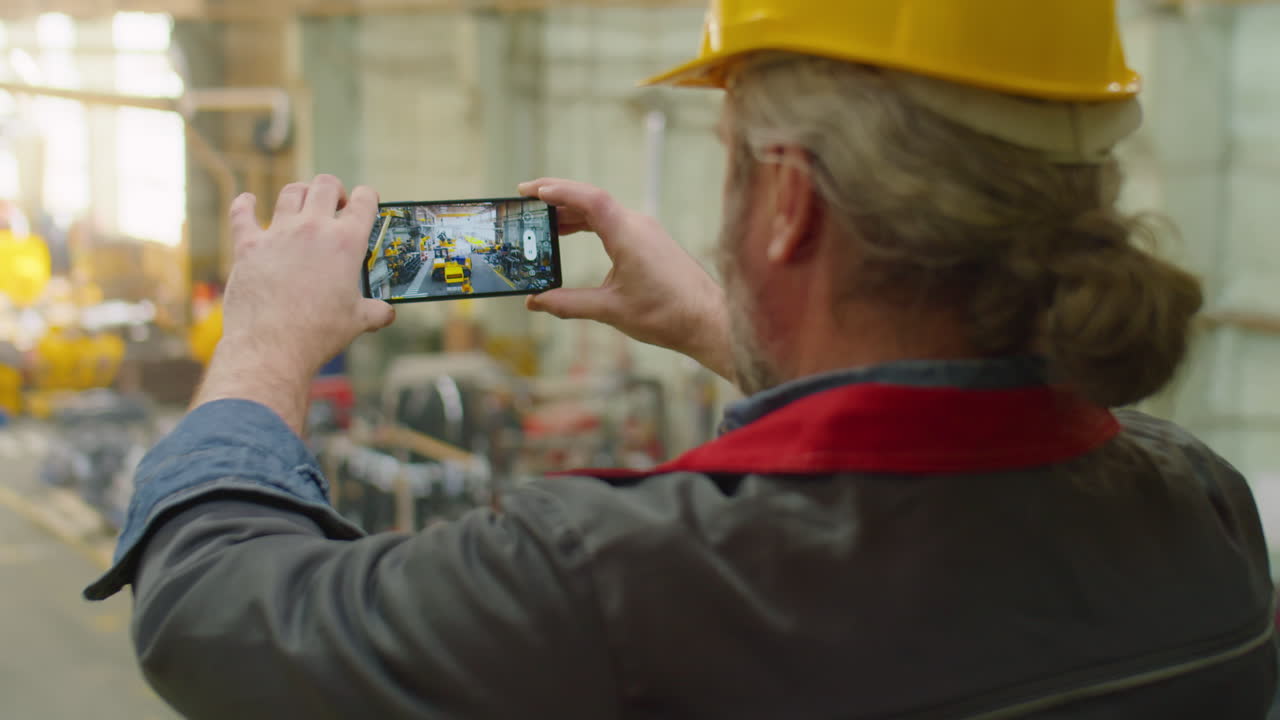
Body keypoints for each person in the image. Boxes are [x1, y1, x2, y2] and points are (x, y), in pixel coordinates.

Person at [85, 1, 1276, 718]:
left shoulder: (616, 582)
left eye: (730, 164)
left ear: (787, 204)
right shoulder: (1198, 513)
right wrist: (724, 324)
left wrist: (266, 339)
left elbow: (215, 619)